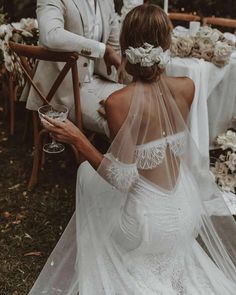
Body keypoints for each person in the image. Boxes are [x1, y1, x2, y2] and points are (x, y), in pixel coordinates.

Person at [28, 4, 236, 295]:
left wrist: (78, 139)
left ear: (125, 47)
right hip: (188, 213)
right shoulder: (188, 86)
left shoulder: (118, 103)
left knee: (87, 173)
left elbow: (121, 179)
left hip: (147, 227)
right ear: (166, 45)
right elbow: (161, 124)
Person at [24, 0, 124, 134]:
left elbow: (115, 45)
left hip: (99, 80)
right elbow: (51, 35)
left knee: (143, 104)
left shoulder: (107, 2)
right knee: (117, 120)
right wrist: (102, 49)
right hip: (63, 90)